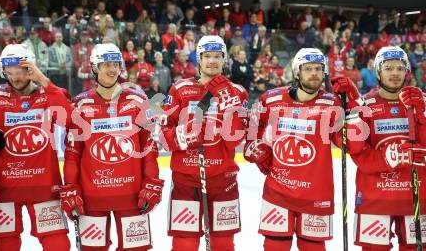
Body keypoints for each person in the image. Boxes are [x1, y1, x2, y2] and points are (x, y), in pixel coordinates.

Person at [244, 48, 367, 250]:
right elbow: (250, 134)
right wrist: (257, 152)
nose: (314, 73)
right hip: (278, 192)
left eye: (319, 69)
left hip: (316, 195)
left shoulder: (333, 104)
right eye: (308, 68)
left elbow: (352, 145)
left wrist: (353, 105)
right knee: (275, 246)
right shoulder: (271, 99)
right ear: (296, 72)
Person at [60, 43, 164, 250]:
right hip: (91, 200)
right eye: (105, 64)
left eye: (115, 64)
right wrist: (70, 188)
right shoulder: (80, 105)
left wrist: (151, 182)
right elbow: (72, 155)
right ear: (94, 67)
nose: (111, 69)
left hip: (132, 198)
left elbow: (149, 148)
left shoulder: (137, 101)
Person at [159, 35, 248, 251]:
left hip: (223, 181)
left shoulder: (237, 92)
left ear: (224, 60)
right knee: (184, 244)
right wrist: (186, 135)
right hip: (185, 181)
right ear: (198, 59)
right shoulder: (179, 89)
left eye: (217, 56)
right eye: (207, 56)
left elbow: (235, 139)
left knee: (223, 244)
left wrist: (226, 101)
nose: (212, 61)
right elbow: (163, 136)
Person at [0, 44, 71, 250]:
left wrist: (43, 80)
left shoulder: (50, 93)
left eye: (21, 71)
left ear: (32, 68)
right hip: (3, 189)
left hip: (43, 186)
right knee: (6, 245)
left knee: (58, 246)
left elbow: (68, 119)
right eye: (9, 72)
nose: (15, 78)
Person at [350, 46, 426, 250]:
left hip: (415, 195)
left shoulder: (421, 102)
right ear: (378, 71)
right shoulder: (362, 106)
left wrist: (422, 115)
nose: (395, 73)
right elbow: (357, 153)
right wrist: (389, 157)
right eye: (389, 67)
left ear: (407, 72)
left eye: (400, 68)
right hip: (375, 196)